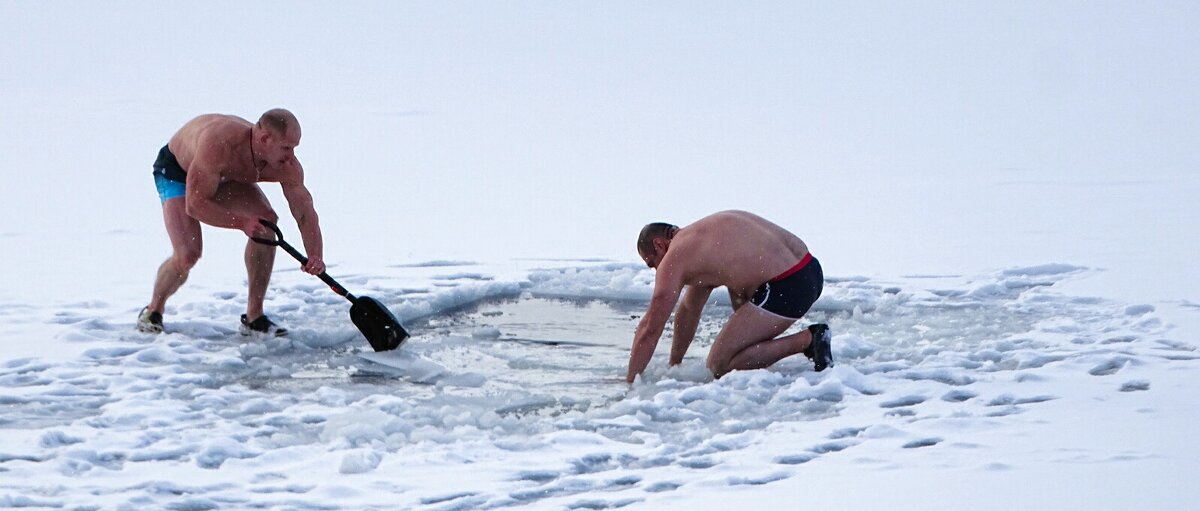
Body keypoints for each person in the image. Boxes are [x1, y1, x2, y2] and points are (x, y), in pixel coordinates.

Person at [137, 109, 326, 337]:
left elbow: (304, 212)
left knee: (266, 225)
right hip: (177, 172)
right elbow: (195, 205)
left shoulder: (287, 166)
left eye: (294, 148)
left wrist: (315, 255)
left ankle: (254, 317)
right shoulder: (220, 144)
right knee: (188, 254)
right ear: (264, 139)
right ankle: (153, 311)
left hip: (225, 176)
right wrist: (242, 222)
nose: (291, 155)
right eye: (286, 147)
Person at [627, 210, 832, 383]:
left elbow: (651, 327)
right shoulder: (697, 242)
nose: (657, 270)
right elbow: (689, 309)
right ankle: (772, 346)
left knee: (719, 364)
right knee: (738, 303)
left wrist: (630, 382)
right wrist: (675, 364)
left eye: (652, 263)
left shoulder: (676, 256)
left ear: (660, 245)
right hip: (809, 270)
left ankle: (808, 340)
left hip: (789, 284)